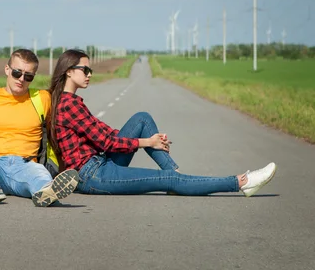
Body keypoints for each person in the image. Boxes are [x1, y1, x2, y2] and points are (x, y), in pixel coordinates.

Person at [48, 49, 277, 197]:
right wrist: (148, 141)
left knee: (142, 118)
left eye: (90, 70)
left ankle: (176, 174)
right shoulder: (68, 105)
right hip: (92, 175)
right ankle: (241, 182)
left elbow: (105, 133)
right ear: (69, 72)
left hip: (99, 163)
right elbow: (107, 142)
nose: (89, 74)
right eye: (85, 69)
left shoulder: (70, 101)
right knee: (167, 180)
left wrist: (150, 142)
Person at [0, 49, 79, 207]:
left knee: (39, 174)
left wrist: (67, 165)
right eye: (17, 73)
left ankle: (47, 191)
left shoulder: (42, 98)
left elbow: (56, 133)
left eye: (28, 76)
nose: (22, 79)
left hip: (25, 166)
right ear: (7, 69)